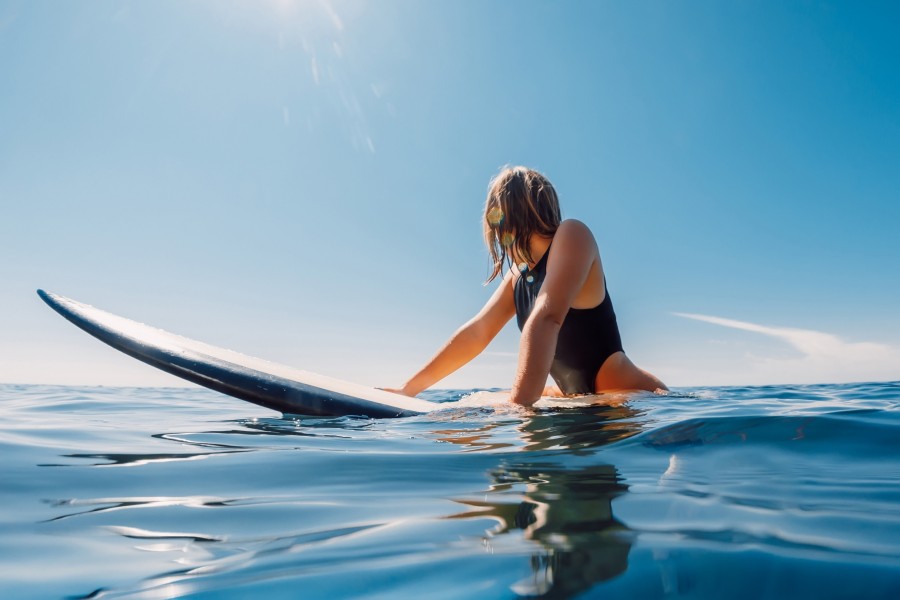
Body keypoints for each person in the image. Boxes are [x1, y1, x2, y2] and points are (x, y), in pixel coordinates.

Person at [388, 166, 666, 407]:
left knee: (508, 407)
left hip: (634, 397)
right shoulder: (518, 275)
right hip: (578, 400)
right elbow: (477, 332)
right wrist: (407, 390)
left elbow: (547, 316)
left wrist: (521, 408)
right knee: (479, 400)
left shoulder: (572, 234)